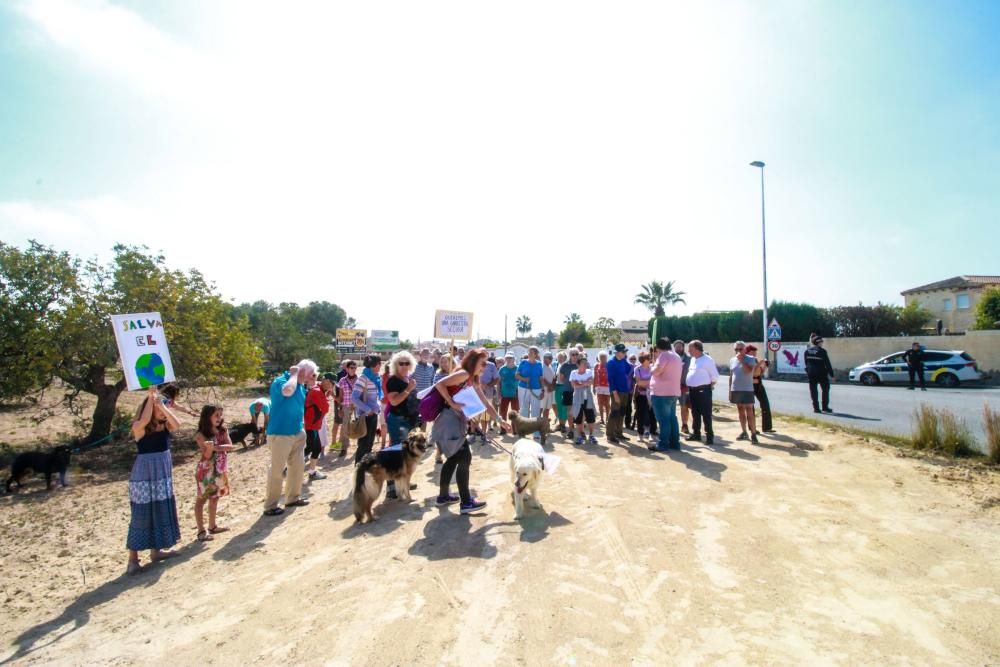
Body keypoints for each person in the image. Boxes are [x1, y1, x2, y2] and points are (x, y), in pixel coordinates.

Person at [430, 349, 509, 514]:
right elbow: (439, 384)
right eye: (483, 363)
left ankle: (443, 497)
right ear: (474, 362)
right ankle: (466, 502)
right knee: (465, 457)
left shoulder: (472, 379)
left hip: (454, 422)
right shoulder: (464, 374)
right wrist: (452, 403)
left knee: (453, 459)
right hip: (448, 421)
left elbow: (486, 403)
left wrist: (500, 421)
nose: (485, 367)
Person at [126, 386, 182, 575]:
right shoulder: (139, 427)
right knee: (141, 514)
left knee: (160, 510)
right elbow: (143, 419)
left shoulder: (165, 426)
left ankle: (156, 552)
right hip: (144, 476)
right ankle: (133, 559)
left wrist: (163, 406)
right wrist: (151, 399)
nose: (164, 409)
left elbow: (177, 424)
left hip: (162, 475)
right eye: (160, 407)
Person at [263, 360, 314, 516]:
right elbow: (287, 391)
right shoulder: (283, 381)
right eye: (310, 374)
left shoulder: (300, 385)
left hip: (297, 432)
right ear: (302, 371)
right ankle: (270, 505)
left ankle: (292, 498)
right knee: (277, 470)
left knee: (297, 467)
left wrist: (309, 381)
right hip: (280, 434)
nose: (310, 378)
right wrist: (294, 374)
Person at [193, 404, 234, 542]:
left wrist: (214, 447)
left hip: (220, 469)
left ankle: (212, 526)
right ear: (207, 416)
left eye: (220, 415)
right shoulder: (200, 434)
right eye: (216, 415)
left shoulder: (222, 430)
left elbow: (231, 446)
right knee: (202, 499)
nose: (219, 418)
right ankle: (200, 531)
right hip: (206, 471)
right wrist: (212, 449)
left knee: (215, 497)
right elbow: (206, 455)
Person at [648, 338, 683, 452]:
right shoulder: (676, 356)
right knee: (672, 418)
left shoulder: (664, 356)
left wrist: (651, 367)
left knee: (664, 420)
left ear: (658, 347)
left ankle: (663, 444)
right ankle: (674, 443)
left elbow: (656, 371)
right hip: (673, 392)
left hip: (661, 393)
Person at [351, 355, 383, 465]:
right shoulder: (363, 378)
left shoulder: (376, 377)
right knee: (364, 444)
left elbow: (376, 396)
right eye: (379, 363)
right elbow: (354, 398)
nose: (380, 366)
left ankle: (365, 468)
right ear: (373, 365)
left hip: (373, 415)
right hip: (365, 416)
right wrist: (368, 409)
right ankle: (358, 469)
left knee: (370, 443)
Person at [686, 340, 719, 444]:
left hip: (703, 390)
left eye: (690, 349)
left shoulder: (707, 360)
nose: (688, 351)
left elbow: (714, 376)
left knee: (706, 414)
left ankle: (709, 436)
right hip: (692, 390)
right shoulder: (693, 359)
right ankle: (696, 434)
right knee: (695, 413)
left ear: (696, 349)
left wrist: (710, 385)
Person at [729, 341, 760, 444]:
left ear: (744, 349)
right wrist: (730, 390)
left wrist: (742, 361)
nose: (738, 351)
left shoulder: (751, 359)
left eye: (740, 349)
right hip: (736, 388)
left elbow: (748, 371)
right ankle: (744, 432)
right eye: (736, 349)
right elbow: (731, 375)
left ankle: (754, 434)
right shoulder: (732, 360)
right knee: (740, 410)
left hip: (747, 389)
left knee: (749, 411)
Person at [304, 372, 333, 480]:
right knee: (309, 448)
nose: (332, 386)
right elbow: (325, 408)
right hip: (310, 425)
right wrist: (326, 398)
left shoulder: (320, 390)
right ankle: (289, 469)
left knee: (316, 449)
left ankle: (312, 472)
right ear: (325, 381)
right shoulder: (317, 391)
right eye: (331, 383)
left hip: (314, 424)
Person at [515, 346, 546, 436]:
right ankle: (523, 431)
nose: (529, 354)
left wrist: (543, 390)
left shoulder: (539, 364)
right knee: (523, 409)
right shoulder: (523, 362)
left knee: (535, 410)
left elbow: (541, 378)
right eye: (529, 352)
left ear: (536, 354)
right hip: (523, 388)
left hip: (536, 389)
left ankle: (536, 433)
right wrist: (524, 379)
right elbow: (517, 375)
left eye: (532, 352)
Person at [570, 355, 599, 445]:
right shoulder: (573, 372)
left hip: (588, 398)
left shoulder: (589, 371)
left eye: (586, 363)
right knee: (578, 417)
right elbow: (574, 385)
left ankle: (591, 435)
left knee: (591, 417)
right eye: (583, 363)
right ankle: (579, 436)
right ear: (578, 365)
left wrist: (580, 383)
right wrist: (584, 383)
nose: (585, 365)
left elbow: (590, 382)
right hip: (577, 398)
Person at [606, 343, 632, 444]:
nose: (625, 353)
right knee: (614, 412)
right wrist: (615, 394)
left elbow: (629, 369)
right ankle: (610, 434)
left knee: (622, 412)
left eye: (625, 352)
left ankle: (618, 432)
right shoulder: (611, 363)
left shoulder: (623, 361)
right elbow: (611, 380)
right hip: (617, 391)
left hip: (625, 390)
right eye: (623, 352)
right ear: (617, 352)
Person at [746, 345, 774, 433]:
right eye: (752, 351)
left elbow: (759, 373)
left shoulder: (755, 360)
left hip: (759, 384)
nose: (754, 353)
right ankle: (752, 428)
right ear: (748, 352)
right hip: (749, 386)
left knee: (765, 404)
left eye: (755, 352)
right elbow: (752, 373)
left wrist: (765, 366)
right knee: (751, 408)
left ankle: (767, 427)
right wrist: (759, 364)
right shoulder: (747, 361)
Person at [804, 334, 835, 413]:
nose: (822, 343)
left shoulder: (807, 351)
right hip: (821, 373)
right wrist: (832, 375)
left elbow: (806, 363)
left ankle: (816, 408)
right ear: (819, 342)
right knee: (825, 389)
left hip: (811, 373)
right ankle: (825, 407)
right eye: (821, 342)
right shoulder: (822, 351)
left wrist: (808, 371)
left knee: (813, 390)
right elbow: (827, 364)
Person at [336, 361, 358, 458]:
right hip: (346, 405)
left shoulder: (360, 379)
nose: (353, 369)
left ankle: (359, 447)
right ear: (347, 369)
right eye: (351, 367)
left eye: (354, 367)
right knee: (345, 426)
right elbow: (341, 396)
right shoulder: (342, 381)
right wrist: (339, 408)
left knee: (359, 425)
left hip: (358, 406)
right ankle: (344, 448)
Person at [632, 352, 654, 442]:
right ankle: (640, 434)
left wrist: (645, 382)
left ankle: (652, 433)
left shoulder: (652, 368)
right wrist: (650, 381)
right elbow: (639, 383)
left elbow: (643, 382)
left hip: (652, 395)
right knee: (640, 415)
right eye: (648, 358)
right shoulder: (637, 369)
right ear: (644, 360)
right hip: (640, 395)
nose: (650, 360)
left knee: (652, 415)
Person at [479, 353, 500, 439]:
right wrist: (480, 385)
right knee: (475, 415)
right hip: (475, 392)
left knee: (486, 414)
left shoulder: (491, 366)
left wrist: (488, 385)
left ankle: (484, 433)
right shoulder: (473, 364)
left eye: (484, 355)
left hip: (488, 393)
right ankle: (473, 432)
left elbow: (497, 379)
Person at [557, 350, 579, 434]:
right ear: (570, 355)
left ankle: (580, 431)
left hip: (579, 391)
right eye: (573, 354)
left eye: (576, 354)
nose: (575, 356)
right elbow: (562, 379)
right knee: (569, 411)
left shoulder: (581, 364)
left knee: (580, 411)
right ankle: (571, 430)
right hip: (568, 390)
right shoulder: (565, 365)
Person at [673, 340, 692, 434]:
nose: (678, 348)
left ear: (683, 347)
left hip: (684, 387)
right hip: (671, 387)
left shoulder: (689, 359)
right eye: (676, 346)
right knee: (670, 407)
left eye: (680, 346)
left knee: (684, 406)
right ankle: (672, 426)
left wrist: (688, 384)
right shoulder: (671, 358)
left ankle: (685, 425)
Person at [497, 352, 520, 426]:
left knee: (515, 412)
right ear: (505, 359)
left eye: (510, 358)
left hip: (515, 394)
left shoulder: (518, 368)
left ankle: (515, 429)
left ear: (514, 359)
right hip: (504, 394)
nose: (509, 359)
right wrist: (498, 393)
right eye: (507, 358)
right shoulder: (502, 369)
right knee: (503, 412)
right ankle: (503, 428)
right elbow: (498, 382)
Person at [552, 352, 569, 432]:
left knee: (564, 406)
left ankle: (563, 425)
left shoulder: (566, 365)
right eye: (558, 357)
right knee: (558, 405)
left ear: (565, 358)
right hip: (558, 387)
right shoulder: (558, 365)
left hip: (564, 387)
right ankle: (560, 423)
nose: (559, 358)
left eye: (561, 357)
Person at [593, 352, 611, 424]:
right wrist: (593, 387)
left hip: (608, 386)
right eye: (601, 357)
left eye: (604, 357)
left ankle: (607, 417)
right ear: (599, 358)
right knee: (600, 403)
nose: (603, 359)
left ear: (606, 358)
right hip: (599, 386)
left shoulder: (609, 365)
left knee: (607, 403)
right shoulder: (596, 365)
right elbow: (595, 377)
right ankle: (601, 418)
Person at [540, 352, 556, 425]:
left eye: (551, 358)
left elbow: (553, 378)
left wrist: (552, 386)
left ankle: (545, 425)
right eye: (549, 358)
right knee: (541, 408)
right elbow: (542, 378)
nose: (551, 360)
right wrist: (550, 386)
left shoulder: (550, 366)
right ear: (544, 358)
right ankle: (537, 426)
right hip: (543, 390)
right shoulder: (541, 366)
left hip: (549, 390)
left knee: (547, 408)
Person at [624, 354, 638, 429]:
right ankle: (627, 424)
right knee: (627, 407)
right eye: (631, 358)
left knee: (635, 407)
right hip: (626, 390)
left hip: (634, 390)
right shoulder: (627, 366)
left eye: (634, 358)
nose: (632, 360)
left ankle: (631, 423)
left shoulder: (637, 367)